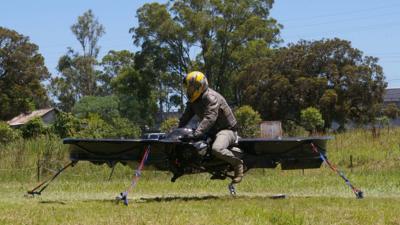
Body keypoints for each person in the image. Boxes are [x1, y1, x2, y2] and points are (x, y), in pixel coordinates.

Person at [178, 71, 244, 183]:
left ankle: (238, 164)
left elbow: (210, 118)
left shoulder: (211, 97)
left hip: (227, 130)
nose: (190, 91)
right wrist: (176, 133)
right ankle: (216, 168)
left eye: (192, 88)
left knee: (216, 149)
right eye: (188, 88)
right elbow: (185, 118)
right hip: (210, 131)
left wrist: (196, 133)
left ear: (201, 86)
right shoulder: (193, 101)